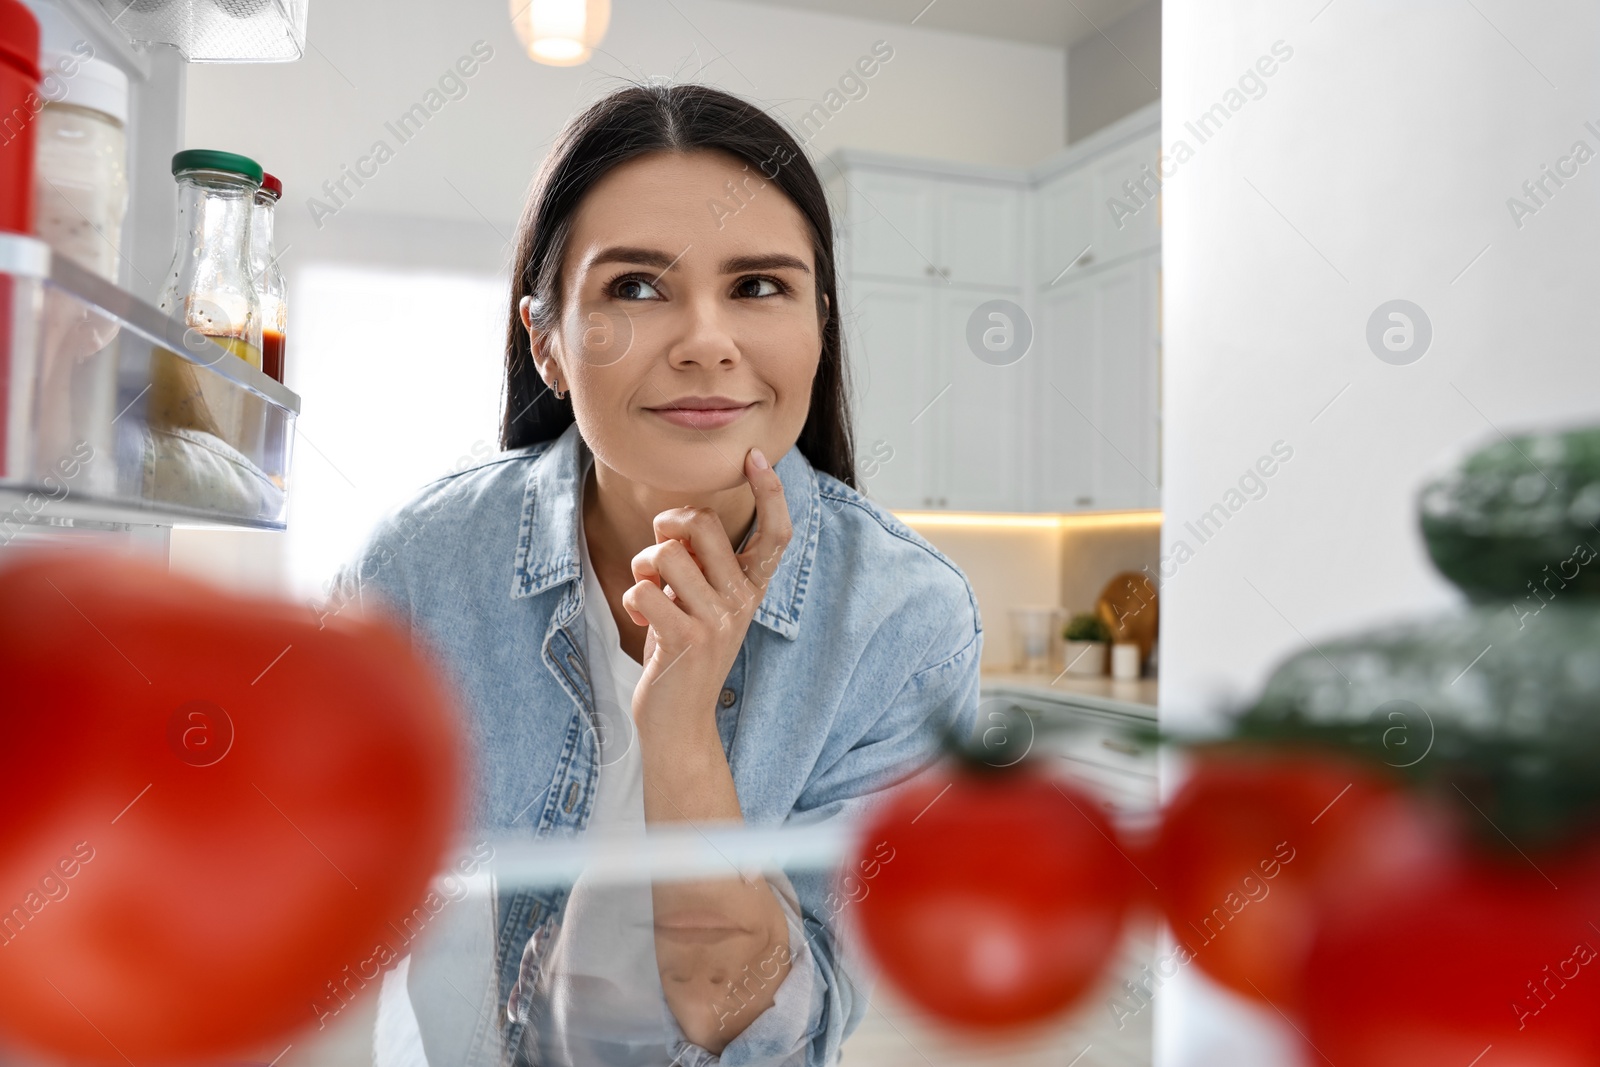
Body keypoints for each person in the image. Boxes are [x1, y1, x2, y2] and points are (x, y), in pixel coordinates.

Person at [335, 81, 982, 1067]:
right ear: (545, 341)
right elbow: (319, 920)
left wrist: (681, 725)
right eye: (635, 286)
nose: (705, 340)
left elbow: (764, 1025)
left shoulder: (907, 620)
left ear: (819, 329)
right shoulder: (419, 569)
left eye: (758, 286)